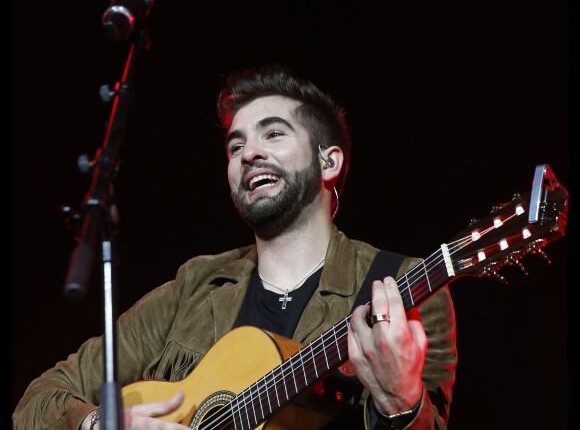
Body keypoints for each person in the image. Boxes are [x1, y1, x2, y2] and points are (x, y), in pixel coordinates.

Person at [13, 63, 457, 429]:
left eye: (274, 134)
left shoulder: (404, 289)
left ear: (329, 161)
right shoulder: (195, 286)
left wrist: (403, 400)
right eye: (236, 145)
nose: (248, 154)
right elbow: (38, 401)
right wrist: (100, 424)